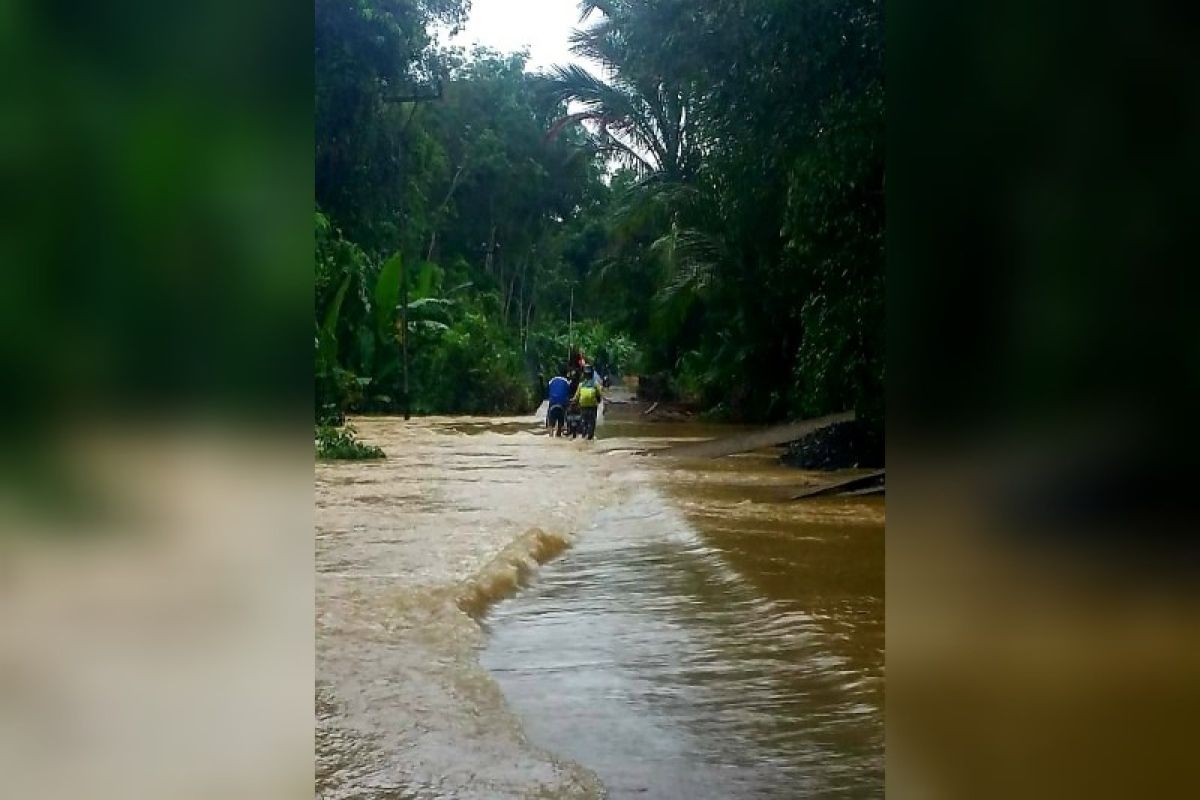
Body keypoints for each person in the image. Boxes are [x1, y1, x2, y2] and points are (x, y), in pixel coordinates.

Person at [570, 364, 604, 440]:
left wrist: (572, 402)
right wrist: (598, 401)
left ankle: (584, 435)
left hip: (583, 407)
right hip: (592, 407)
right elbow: (600, 395)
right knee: (592, 423)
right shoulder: (595, 384)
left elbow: (576, 397)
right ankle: (590, 437)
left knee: (583, 422)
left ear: (584, 374)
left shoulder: (581, 385)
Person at [546, 372, 571, 437]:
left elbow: (547, 393)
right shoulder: (567, 382)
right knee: (560, 424)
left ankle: (550, 437)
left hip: (552, 403)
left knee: (550, 424)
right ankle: (559, 432)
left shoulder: (551, 381)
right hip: (562, 405)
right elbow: (569, 395)